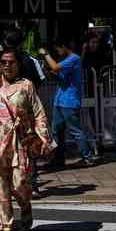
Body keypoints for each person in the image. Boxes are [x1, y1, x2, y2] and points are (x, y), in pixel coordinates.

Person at [0, 48, 51, 231]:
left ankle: (25, 207)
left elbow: (38, 113)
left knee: (20, 184)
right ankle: (5, 225)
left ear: (19, 64)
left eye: (11, 62)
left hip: (19, 140)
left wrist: (42, 137)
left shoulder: (26, 85)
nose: (7, 65)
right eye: (3, 62)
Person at [41, 37, 97, 167]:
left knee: (75, 130)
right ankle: (58, 158)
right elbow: (59, 78)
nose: (58, 53)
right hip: (60, 100)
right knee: (56, 131)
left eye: (58, 50)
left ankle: (87, 157)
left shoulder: (74, 59)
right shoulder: (67, 60)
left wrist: (46, 54)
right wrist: (46, 70)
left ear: (64, 47)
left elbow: (55, 67)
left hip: (70, 101)